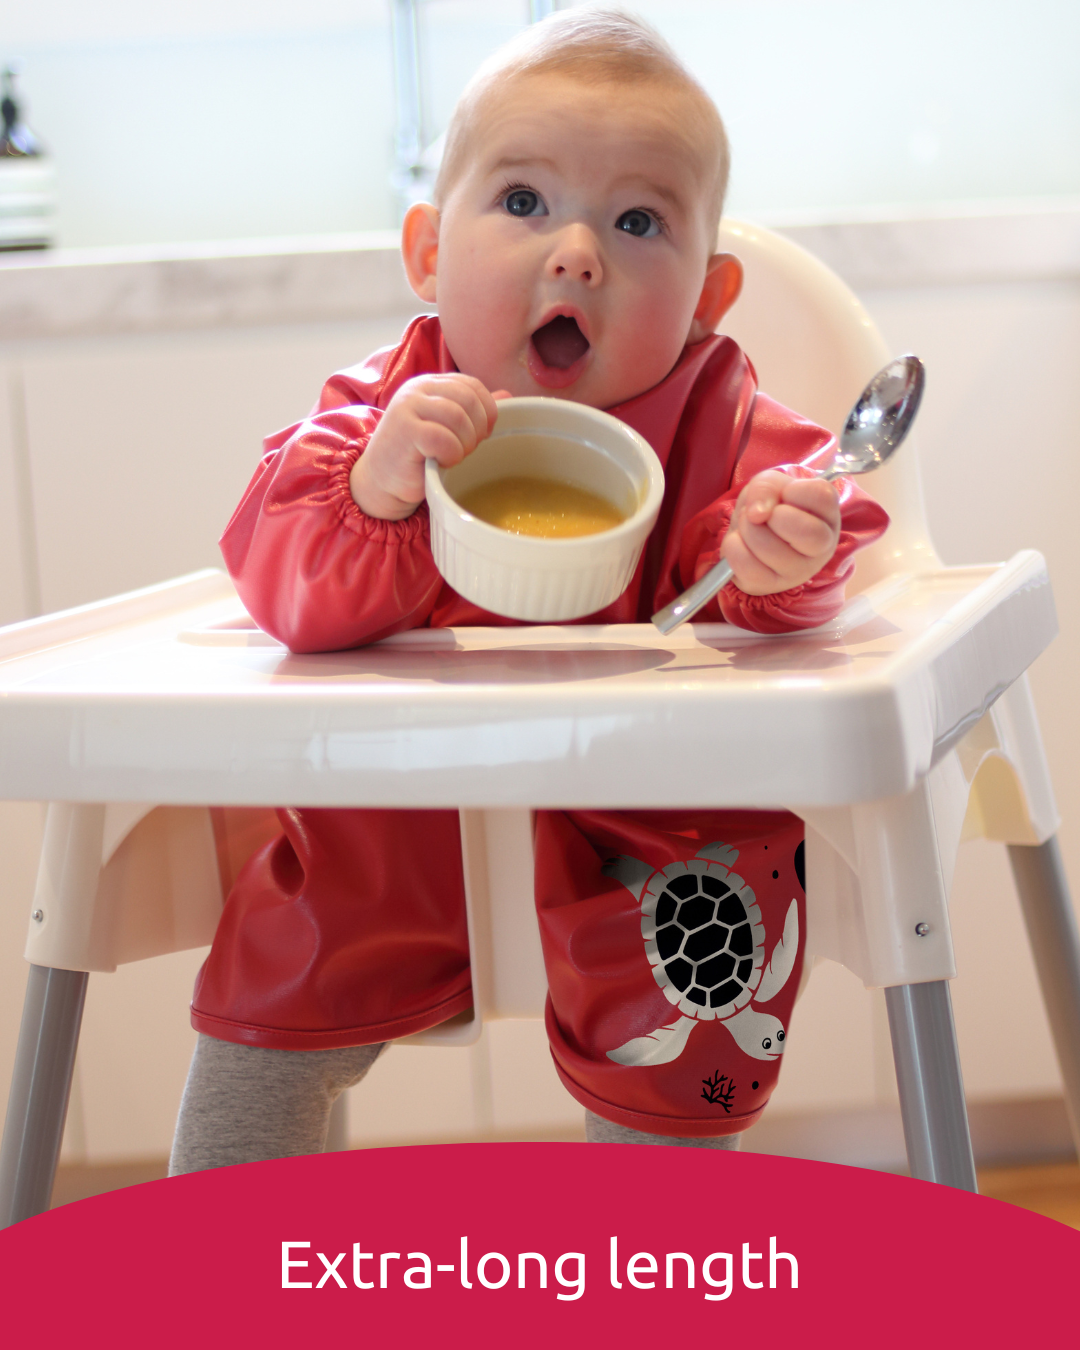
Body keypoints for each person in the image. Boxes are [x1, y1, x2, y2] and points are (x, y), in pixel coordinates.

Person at [169, 8, 888, 1172]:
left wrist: (781, 556)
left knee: (681, 1035)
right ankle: (213, 1252)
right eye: (521, 201)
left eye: (638, 220)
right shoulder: (382, 414)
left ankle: (654, 1263)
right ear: (427, 252)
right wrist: (375, 490)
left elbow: (799, 550)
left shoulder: (726, 426)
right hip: (387, 833)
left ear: (708, 296)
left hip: (654, 831)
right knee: (263, 1021)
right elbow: (281, 588)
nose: (577, 252)